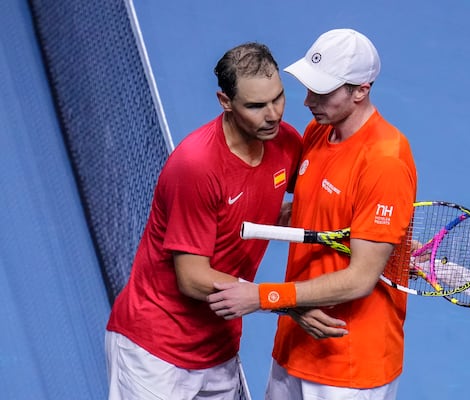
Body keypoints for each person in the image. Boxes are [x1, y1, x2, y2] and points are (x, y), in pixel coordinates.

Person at [207, 29, 418, 399]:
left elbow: (359, 280)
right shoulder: (319, 133)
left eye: (322, 92)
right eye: (307, 87)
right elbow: (306, 209)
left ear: (360, 90)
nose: (307, 101)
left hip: (349, 367)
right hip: (296, 346)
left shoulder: (385, 162)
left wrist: (264, 296)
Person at [105, 42, 303, 399]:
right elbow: (193, 279)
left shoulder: (285, 142)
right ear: (225, 102)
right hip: (155, 352)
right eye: (256, 106)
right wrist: (282, 299)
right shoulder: (197, 166)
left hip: (218, 350)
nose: (273, 114)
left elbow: (317, 198)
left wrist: (387, 235)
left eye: (278, 98)